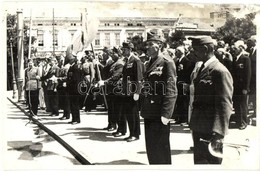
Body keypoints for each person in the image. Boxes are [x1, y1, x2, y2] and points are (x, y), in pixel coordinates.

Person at [189, 36, 233, 164]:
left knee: (211, 164)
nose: (193, 53)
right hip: (199, 127)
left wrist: (219, 133)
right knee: (200, 163)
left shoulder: (220, 71)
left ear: (205, 49)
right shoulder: (203, 68)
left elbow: (224, 104)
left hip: (211, 130)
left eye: (195, 50)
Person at [140, 32, 178, 164]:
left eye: (151, 44)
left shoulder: (167, 62)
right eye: (147, 45)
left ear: (159, 45)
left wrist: (167, 113)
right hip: (149, 111)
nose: (147, 47)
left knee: (161, 149)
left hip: (159, 112)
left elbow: (171, 90)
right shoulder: (149, 62)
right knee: (151, 148)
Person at [121, 42, 143, 142]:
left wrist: (137, 92)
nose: (123, 51)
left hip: (133, 91)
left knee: (133, 113)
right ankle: (131, 133)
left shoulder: (136, 60)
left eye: (124, 49)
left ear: (130, 49)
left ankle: (135, 134)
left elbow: (139, 77)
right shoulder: (127, 60)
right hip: (127, 91)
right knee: (129, 113)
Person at [231, 40, 251, 130]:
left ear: (241, 48)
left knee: (242, 105)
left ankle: (243, 122)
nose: (234, 50)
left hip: (242, 87)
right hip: (236, 86)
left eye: (235, 48)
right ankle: (238, 121)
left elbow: (248, 74)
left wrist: (245, 88)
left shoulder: (245, 58)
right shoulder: (235, 58)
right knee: (236, 104)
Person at [174, 45, 195, 124]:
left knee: (183, 101)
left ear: (181, 52)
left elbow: (187, 72)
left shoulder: (186, 61)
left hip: (184, 83)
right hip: (178, 83)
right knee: (179, 100)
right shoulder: (177, 61)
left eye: (177, 51)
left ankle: (184, 118)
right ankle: (179, 117)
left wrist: (186, 83)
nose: (176, 53)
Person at [66, 52, 83, 125]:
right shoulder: (72, 67)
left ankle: (76, 119)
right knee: (73, 104)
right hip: (72, 88)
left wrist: (68, 82)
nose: (69, 61)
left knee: (75, 104)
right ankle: (74, 119)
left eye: (70, 60)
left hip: (74, 88)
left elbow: (75, 79)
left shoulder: (75, 67)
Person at [246, 37, 256, 118]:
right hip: (252, 77)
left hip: (256, 76)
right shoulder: (250, 50)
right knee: (253, 94)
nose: (248, 44)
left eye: (249, 43)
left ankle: (256, 111)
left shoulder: (256, 51)